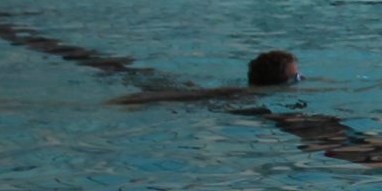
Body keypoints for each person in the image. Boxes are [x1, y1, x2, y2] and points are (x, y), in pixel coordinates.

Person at [112, 50, 302, 106]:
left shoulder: (250, 93)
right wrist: (135, 100)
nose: (301, 80)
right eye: (296, 78)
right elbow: (190, 96)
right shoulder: (238, 94)